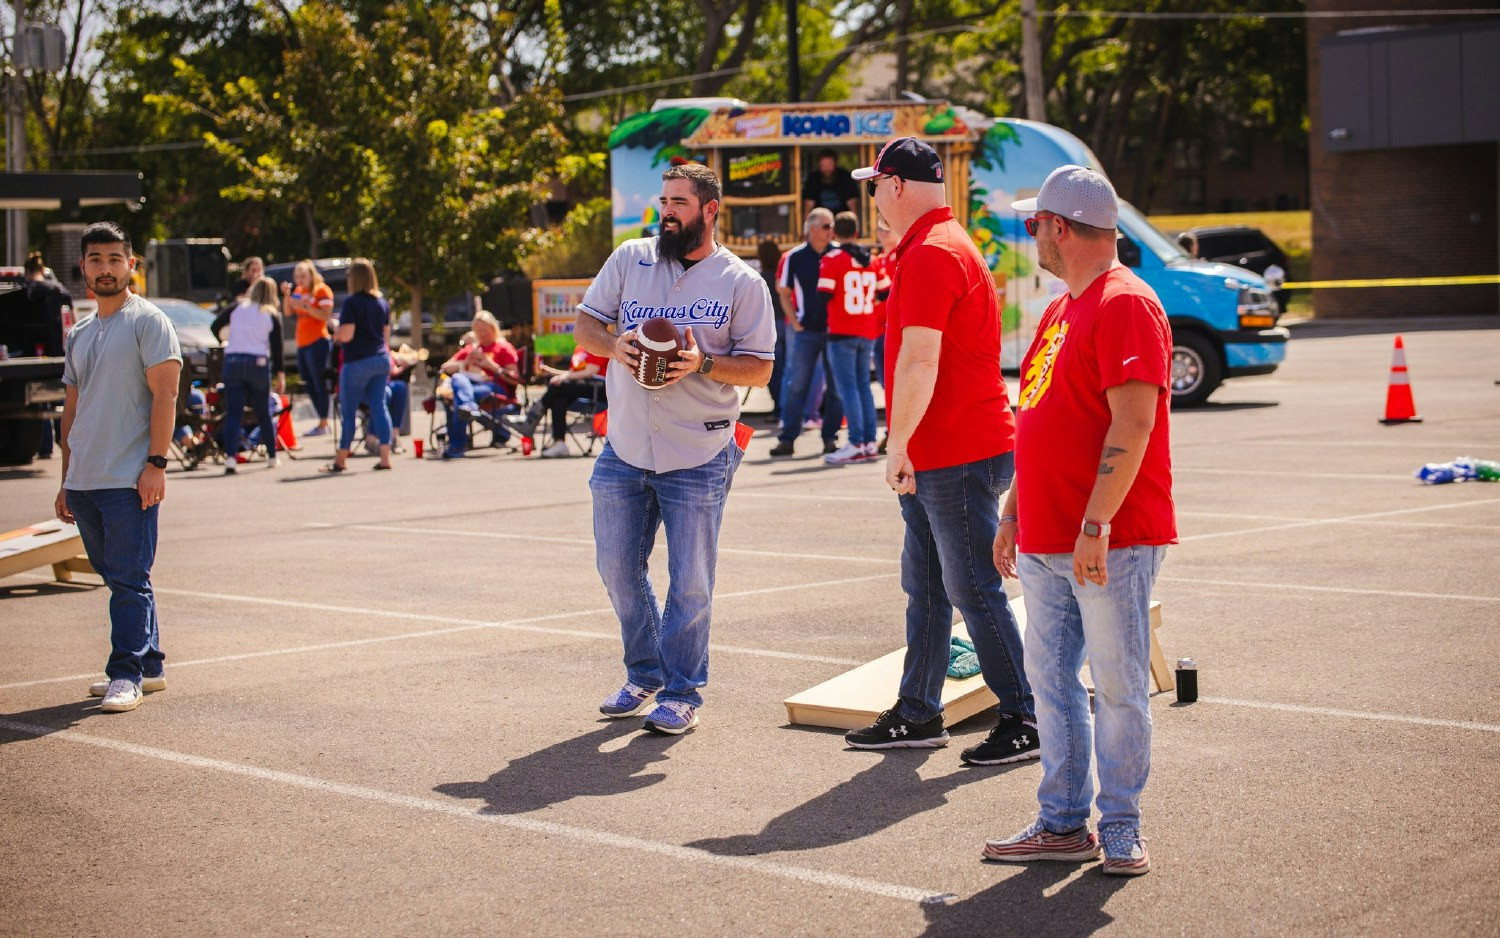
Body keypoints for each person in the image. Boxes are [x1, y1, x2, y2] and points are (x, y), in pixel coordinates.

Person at [984, 164, 1176, 877]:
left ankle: (1119, 824)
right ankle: (1064, 823)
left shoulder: (1124, 302)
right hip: (1046, 537)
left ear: (1059, 228)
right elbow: (1035, 419)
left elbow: (1133, 420)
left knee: (1119, 687)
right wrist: (1012, 513)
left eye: (1036, 222)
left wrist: (1095, 527)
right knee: (1054, 685)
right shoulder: (1063, 308)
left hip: (1106, 541)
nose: (1030, 231)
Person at [842, 137, 1036, 765]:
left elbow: (920, 358)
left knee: (972, 586)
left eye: (875, 184)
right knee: (927, 586)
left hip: (954, 451)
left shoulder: (930, 253)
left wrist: (896, 444)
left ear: (895, 185)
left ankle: (1025, 716)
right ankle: (920, 713)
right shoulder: (940, 244)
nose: (872, 196)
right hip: (946, 450)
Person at [573, 161, 775, 735]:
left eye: (679, 203)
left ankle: (683, 690)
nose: (667, 212)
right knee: (616, 566)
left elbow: (760, 370)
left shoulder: (741, 282)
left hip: (699, 450)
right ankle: (644, 673)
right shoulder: (630, 259)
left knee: (690, 581)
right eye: (663, 201)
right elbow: (585, 328)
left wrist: (702, 363)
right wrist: (617, 346)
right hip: (626, 445)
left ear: (710, 210)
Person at [53, 221, 182, 714]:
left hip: (129, 478)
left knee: (128, 578)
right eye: (95, 260)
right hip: (84, 479)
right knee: (119, 578)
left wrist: (156, 464)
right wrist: (66, 477)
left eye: (114, 259)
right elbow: (73, 406)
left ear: (131, 265)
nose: (105, 268)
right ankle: (149, 667)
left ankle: (124, 674)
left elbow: (166, 394)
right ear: (82, 267)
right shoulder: (82, 331)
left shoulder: (148, 321)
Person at [769, 208, 842, 457]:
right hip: (806, 331)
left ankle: (830, 438)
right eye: (826, 226)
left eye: (831, 225)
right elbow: (783, 292)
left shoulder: (838, 253)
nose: (831, 230)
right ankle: (787, 439)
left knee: (836, 388)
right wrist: (795, 322)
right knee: (796, 385)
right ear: (812, 229)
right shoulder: (795, 257)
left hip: (835, 332)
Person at [818, 211, 879, 466]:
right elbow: (885, 293)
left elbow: (823, 295)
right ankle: (869, 440)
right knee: (863, 386)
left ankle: (855, 442)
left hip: (842, 331)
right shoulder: (871, 260)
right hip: (867, 329)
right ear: (856, 232)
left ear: (834, 233)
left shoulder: (832, 259)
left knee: (849, 388)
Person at [321, 258, 392, 473]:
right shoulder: (382, 302)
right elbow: (385, 336)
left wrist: (336, 333)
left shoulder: (352, 303)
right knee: (379, 407)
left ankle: (341, 459)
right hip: (381, 359)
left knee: (349, 412)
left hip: (357, 361)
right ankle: (385, 457)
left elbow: (348, 335)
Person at [212, 276, 286, 473]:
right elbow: (277, 348)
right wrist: (280, 373)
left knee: (234, 413)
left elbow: (215, 325)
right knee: (263, 412)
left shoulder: (237, 307)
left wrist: (227, 338)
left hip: (233, 360)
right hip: (257, 362)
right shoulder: (270, 314)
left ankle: (230, 458)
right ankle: (271, 456)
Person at [436, 310, 519, 458]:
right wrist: (465, 363)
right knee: (458, 380)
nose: (482, 334)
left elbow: (514, 377)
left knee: (458, 397)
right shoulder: (471, 349)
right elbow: (445, 367)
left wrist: (490, 365)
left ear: (494, 329)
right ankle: (468, 407)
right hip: (469, 387)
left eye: (485, 330)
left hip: (494, 387)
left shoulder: (503, 348)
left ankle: (456, 445)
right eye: (478, 330)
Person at [16, 252, 72, 459]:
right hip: (60, 355)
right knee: (64, 400)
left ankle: (45, 446)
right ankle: (62, 441)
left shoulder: (25, 293)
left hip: (31, 356)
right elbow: (70, 323)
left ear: (28, 271)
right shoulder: (59, 291)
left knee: (40, 404)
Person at [506, 345, 609, 458]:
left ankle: (531, 419)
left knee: (558, 386)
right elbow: (572, 373)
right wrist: (550, 372)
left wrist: (563, 377)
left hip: (598, 390)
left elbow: (590, 372)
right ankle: (560, 443)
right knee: (559, 399)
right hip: (580, 389)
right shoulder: (579, 348)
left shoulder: (595, 344)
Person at [282, 260, 336, 436]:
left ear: (311, 275)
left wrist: (306, 306)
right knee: (308, 381)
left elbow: (325, 315)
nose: (299, 279)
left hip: (318, 341)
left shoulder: (322, 290)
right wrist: (286, 296)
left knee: (320, 381)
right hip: (302, 343)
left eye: (303, 275)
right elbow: (288, 312)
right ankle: (321, 420)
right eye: (297, 276)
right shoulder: (298, 291)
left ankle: (323, 422)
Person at [870, 216, 900, 454]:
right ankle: (893, 429)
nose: (882, 233)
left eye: (886, 229)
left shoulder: (901, 257)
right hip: (879, 330)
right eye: (880, 229)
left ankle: (895, 431)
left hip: (893, 330)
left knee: (893, 385)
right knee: (886, 384)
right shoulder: (879, 260)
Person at [757, 239, 788, 424]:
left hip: (770, 328)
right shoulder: (781, 275)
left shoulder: (759, 278)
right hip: (786, 323)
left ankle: (778, 409)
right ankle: (787, 410)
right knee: (788, 371)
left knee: (774, 372)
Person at [802, 148, 858, 215]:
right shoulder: (813, 179)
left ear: (836, 164)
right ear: (819, 165)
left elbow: (852, 204)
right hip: (819, 219)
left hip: (842, 219)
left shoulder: (845, 177)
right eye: (823, 165)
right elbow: (808, 206)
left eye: (829, 164)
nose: (826, 168)